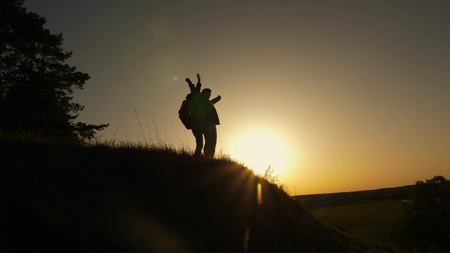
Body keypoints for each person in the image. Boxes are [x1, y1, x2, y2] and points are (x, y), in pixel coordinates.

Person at [200, 88, 221, 159]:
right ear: (203, 94)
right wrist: (217, 98)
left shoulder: (208, 102)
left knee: (213, 141)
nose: (209, 95)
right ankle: (207, 157)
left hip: (212, 123)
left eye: (209, 94)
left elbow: (213, 101)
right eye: (207, 93)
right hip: (206, 123)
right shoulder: (201, 102)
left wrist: (218, 98)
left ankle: (210, 158)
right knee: (209, 140)